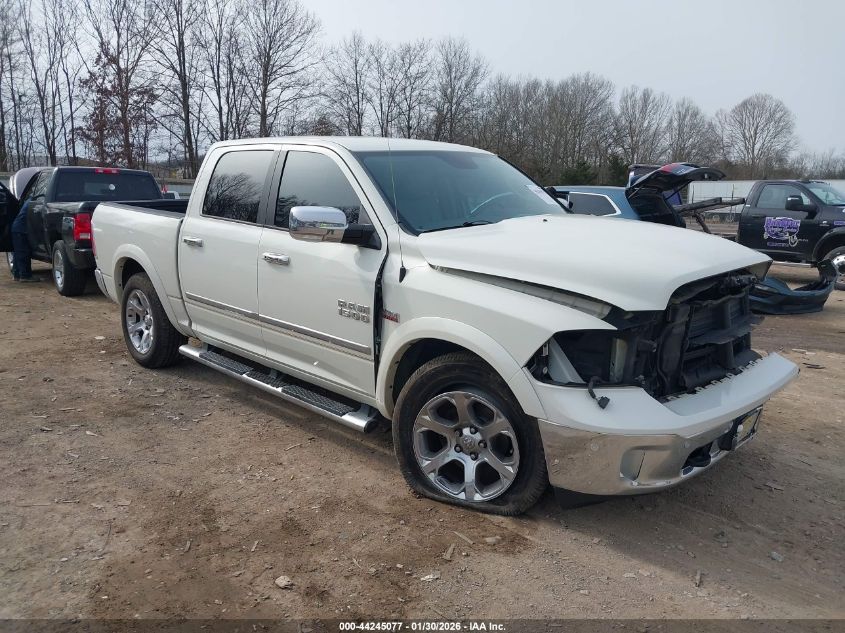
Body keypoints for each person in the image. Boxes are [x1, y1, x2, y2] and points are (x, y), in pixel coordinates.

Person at [11, 199, 37, 282]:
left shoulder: (28, 201)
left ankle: (17, 274)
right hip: (21, 229)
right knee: (23, 252)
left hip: (17, 228)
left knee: (18, 253)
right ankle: (25, 276)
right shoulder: (33, 203)